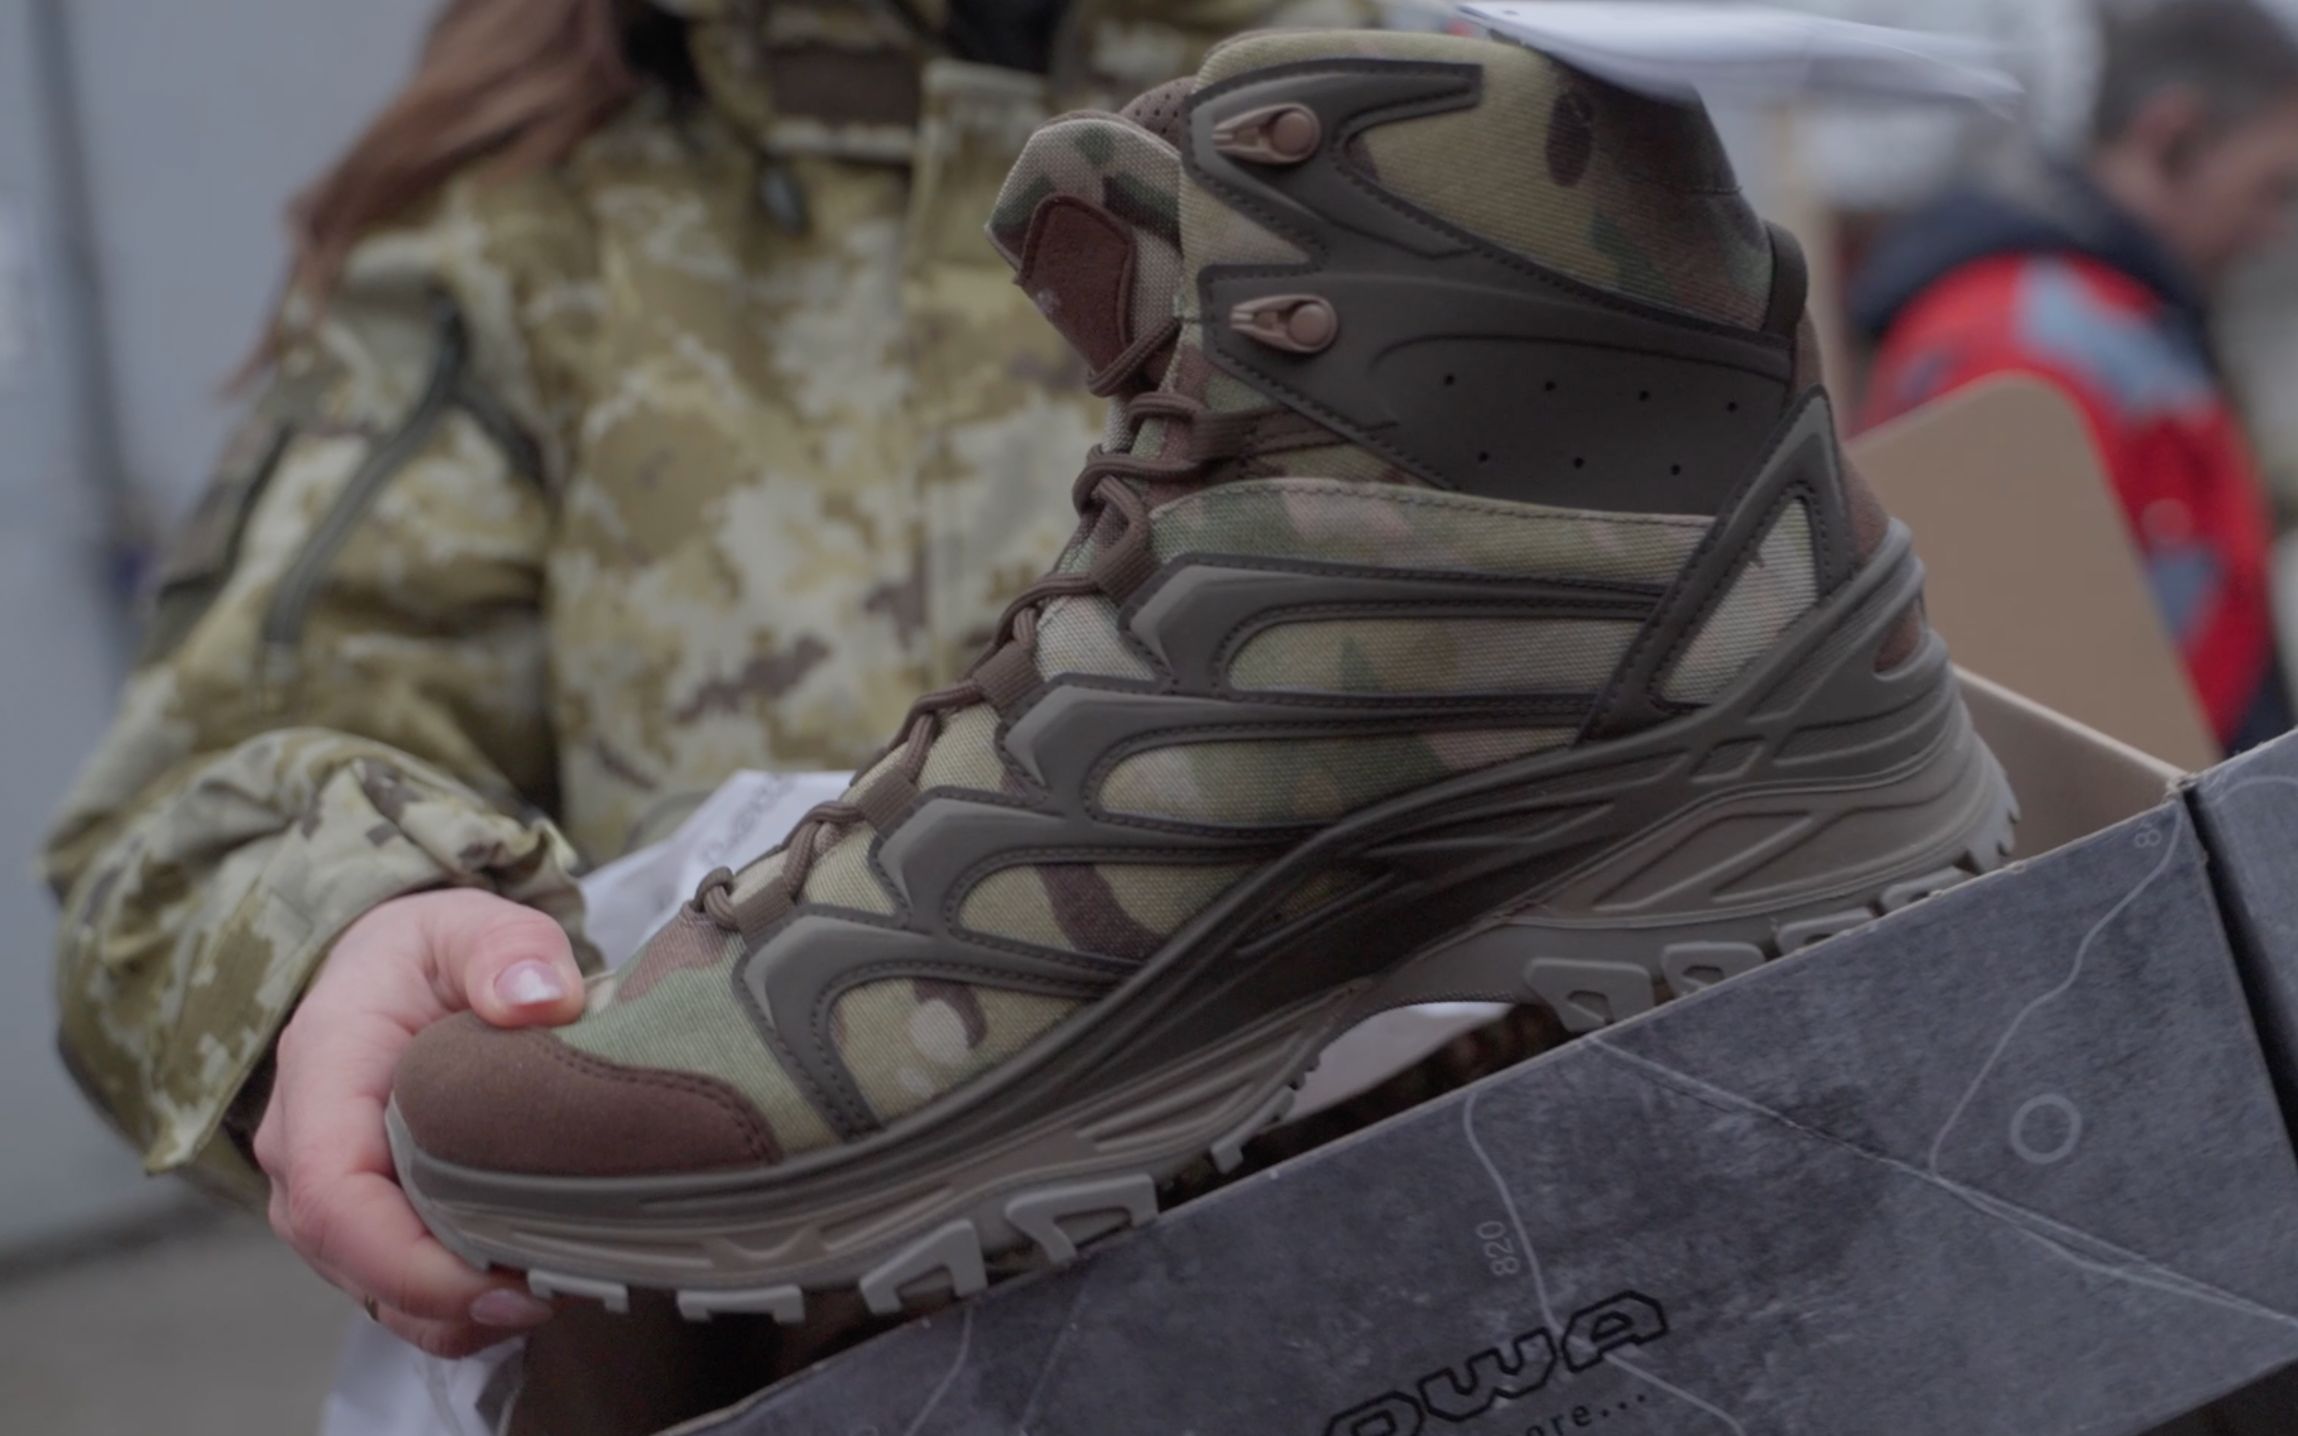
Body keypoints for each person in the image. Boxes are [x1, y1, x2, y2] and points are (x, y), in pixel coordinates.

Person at [38, 0, 1375, 1431]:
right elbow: (182, 811)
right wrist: (341, 924)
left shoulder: (1411, 129)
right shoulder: (529, 233)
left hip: (1449, 1248)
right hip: (798, 1353)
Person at [1851, 0, 2298, 755]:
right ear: (2174, 134)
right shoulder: (2020, 343)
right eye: (2272, 188)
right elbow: (2019, 708)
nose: (2276, 231)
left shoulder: (2124, 321)